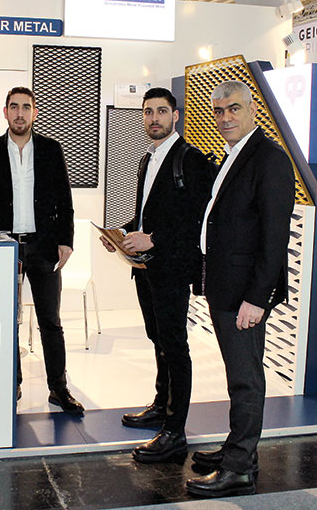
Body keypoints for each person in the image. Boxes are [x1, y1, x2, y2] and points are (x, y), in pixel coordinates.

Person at [186, 81, 295, 499]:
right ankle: (239, 450)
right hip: (224, 287)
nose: (225, 117)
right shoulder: (233, 155)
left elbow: (274, 237)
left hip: (244, 294)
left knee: (246, 381)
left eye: (233, 108)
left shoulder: (269, 159)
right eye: (219, 110)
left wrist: (257, 298)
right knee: (238, 377)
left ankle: (239, 469)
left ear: (252, 110)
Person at [99, 87, 215, 463]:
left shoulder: (190, 159)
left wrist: (154, 239)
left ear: (175, 116)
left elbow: (199, 218)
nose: (154, 118)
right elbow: (147, 214)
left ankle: (175, 430)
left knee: (175, 346)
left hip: (172, 269)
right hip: (146, 268)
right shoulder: (147, 159)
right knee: (158, 339)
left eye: (161, 111)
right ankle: (160, 407)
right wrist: (122, 233)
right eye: (148, 112)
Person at [0, 86, 84, 415]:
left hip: (44, 248)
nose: (20, 113)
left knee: (51, 322)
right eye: (14, 107)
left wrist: (66, 240)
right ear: (5, 112)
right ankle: (13, 384)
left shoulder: (51, 149)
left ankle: (58, 388)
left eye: (26, 107)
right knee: (8, 321)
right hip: (4, 248)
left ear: (34, 112)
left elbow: (65, 199)